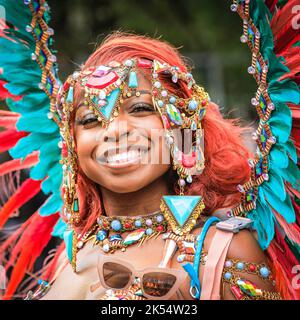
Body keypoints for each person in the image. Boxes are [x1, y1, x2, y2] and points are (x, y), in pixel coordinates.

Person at [0, 0, 299, 300]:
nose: (114, 131)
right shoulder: (73, 251)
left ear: (183, 131)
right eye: (90, 119)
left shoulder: (220, 251)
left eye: (141, 109)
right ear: (73, 148)